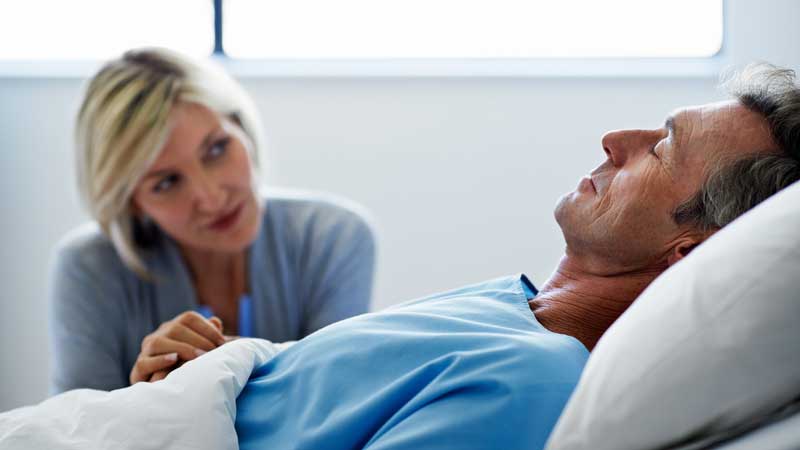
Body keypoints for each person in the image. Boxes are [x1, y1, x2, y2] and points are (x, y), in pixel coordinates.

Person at [230, 64, 800, 450]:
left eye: (663, 148)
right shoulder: (511, 306)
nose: (616, 138)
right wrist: (230, 365)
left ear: (689, 250)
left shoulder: (529, 380)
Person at [47, 48, 377, 393]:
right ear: (133, 204)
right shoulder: (89, 268)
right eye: (166, 182)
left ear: (242, 128)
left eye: (217, 149)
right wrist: (142, 403)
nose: (210, 197)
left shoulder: (333, 238)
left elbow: (339, 400)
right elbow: (78, 429)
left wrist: (234, 364)